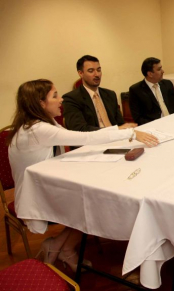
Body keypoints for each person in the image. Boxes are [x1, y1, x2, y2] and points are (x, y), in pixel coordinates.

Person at [7, 79, 158, 272]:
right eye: (55, 96)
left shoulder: (40, 123)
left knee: (91, 198)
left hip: (47, 184)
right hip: (36, 194)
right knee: (94, 202)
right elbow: (83, 138)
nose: (60, 99)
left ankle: (64, 247)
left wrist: (119, 130)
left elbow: (76, 138)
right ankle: (60, 246)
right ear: (40, 103)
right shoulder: (38, 129)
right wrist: (128, 132)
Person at [63, 55, 133, 131]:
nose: (97, 74)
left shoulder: (110, 94)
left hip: (117, 139)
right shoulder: (71, 99)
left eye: (99, 70)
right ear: (81, 73)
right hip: (93, 141)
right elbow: (79, 129)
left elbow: (120, 124)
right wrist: (112, 131)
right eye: (91, 71)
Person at [129, 57, 174, 125]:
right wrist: (158, 124)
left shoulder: (167, 84)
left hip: (173, 121)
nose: (163, 71)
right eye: (159, 69)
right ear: (150, 74)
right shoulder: (136, 90)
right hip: (153, 126)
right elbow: (138, 118)